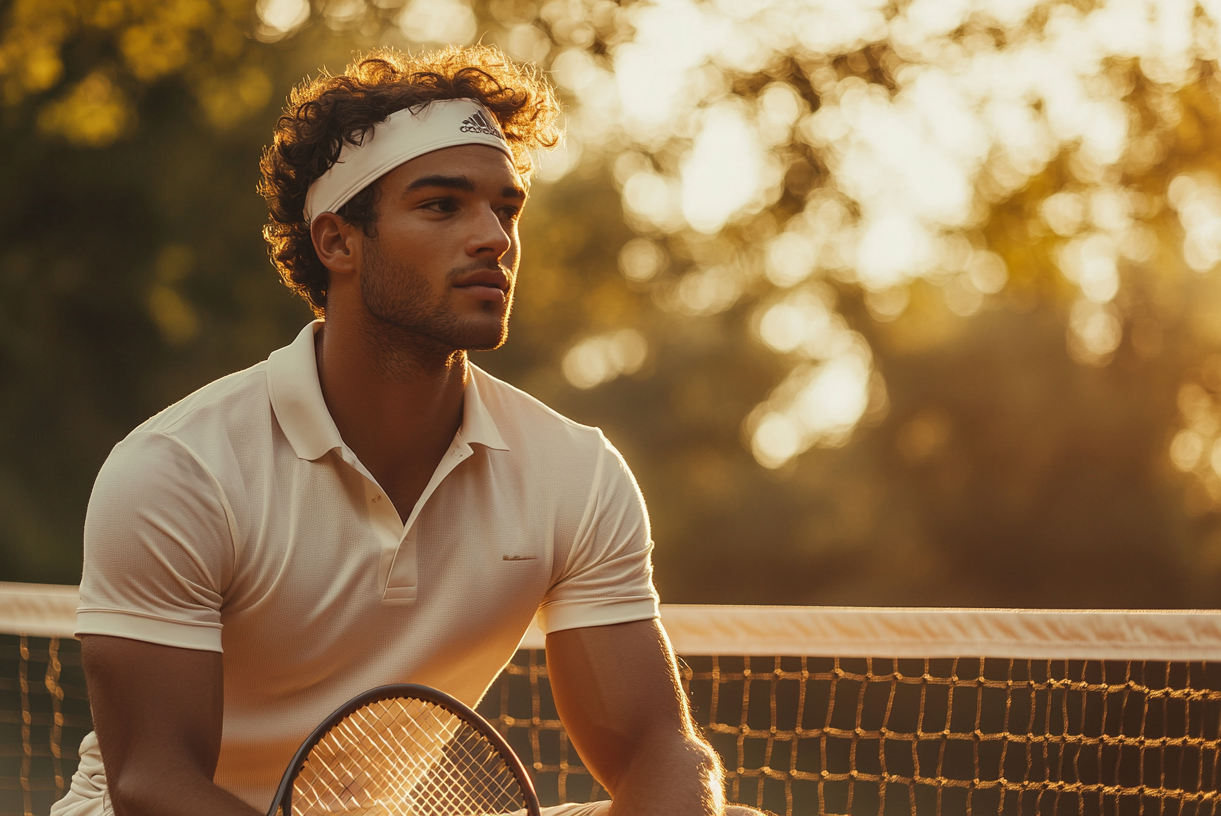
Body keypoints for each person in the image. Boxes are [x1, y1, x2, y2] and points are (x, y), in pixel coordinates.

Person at [51, 45, 761, 816]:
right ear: (337, 241)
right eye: (441, 205)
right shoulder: (178, 470)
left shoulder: (576, 473)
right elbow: (152, 783)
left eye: (505, 209)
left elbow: (658, 746)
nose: (494, 236)